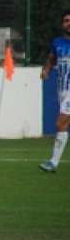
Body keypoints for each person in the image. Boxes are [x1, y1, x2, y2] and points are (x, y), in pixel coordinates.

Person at [39, 9, 70, 173]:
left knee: (60, 123)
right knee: (63, 126)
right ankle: (53, 162)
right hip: (62, 89)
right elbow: (52, 60)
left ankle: (53, 162)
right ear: (62, 24)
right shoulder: (57, 42)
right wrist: (46, 70)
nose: (69, 23)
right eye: (66, 20)